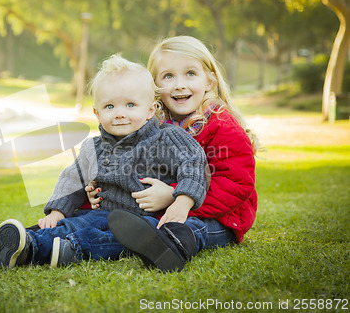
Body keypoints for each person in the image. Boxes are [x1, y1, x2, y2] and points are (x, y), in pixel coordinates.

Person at [0, 54, 209, 269]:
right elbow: (72, 178)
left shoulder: (167, 138)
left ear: (151, 109)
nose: (120, 113)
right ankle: (12, 242)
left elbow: (195, 164)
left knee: (99, 237)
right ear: (97, 113)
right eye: (110, 106)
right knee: (71, 223)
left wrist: (182, 202)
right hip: (103, 213)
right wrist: (57, 211)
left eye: (131, 104)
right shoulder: (94, 148)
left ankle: (38, 249)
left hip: (147, 223)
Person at [102, 35, 260, 272]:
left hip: (221, 217)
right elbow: (129, 170)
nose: (179, 84)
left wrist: (176, 196)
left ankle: (170, 248)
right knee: (127, 220)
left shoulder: (221, 127)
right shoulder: (154, 126)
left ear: (209, 81)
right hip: (168, 210)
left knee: (192, 227)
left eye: (190, 74)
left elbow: (234, 183)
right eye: (168, 76)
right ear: (154, 86)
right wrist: (96, 193)